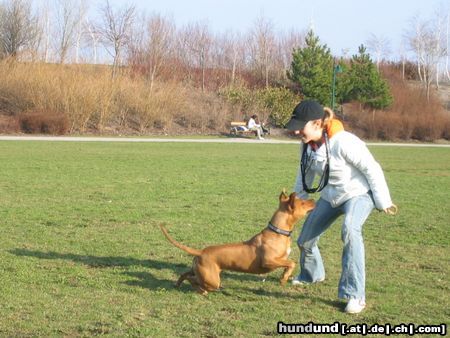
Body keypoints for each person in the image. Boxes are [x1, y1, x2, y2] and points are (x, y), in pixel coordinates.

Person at [285, 100, 397, 314]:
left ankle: (355, 295)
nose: (297, 130)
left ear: (317, 123)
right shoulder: (307, 145)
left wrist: (383, 201)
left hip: (358, 194)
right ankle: (312, 275)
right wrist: (297, 202)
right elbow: (304, 174)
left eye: (301, 125)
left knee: (350, 231)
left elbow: (371, 168)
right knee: (305, 240)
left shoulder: (344, 142)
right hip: (331, 196)